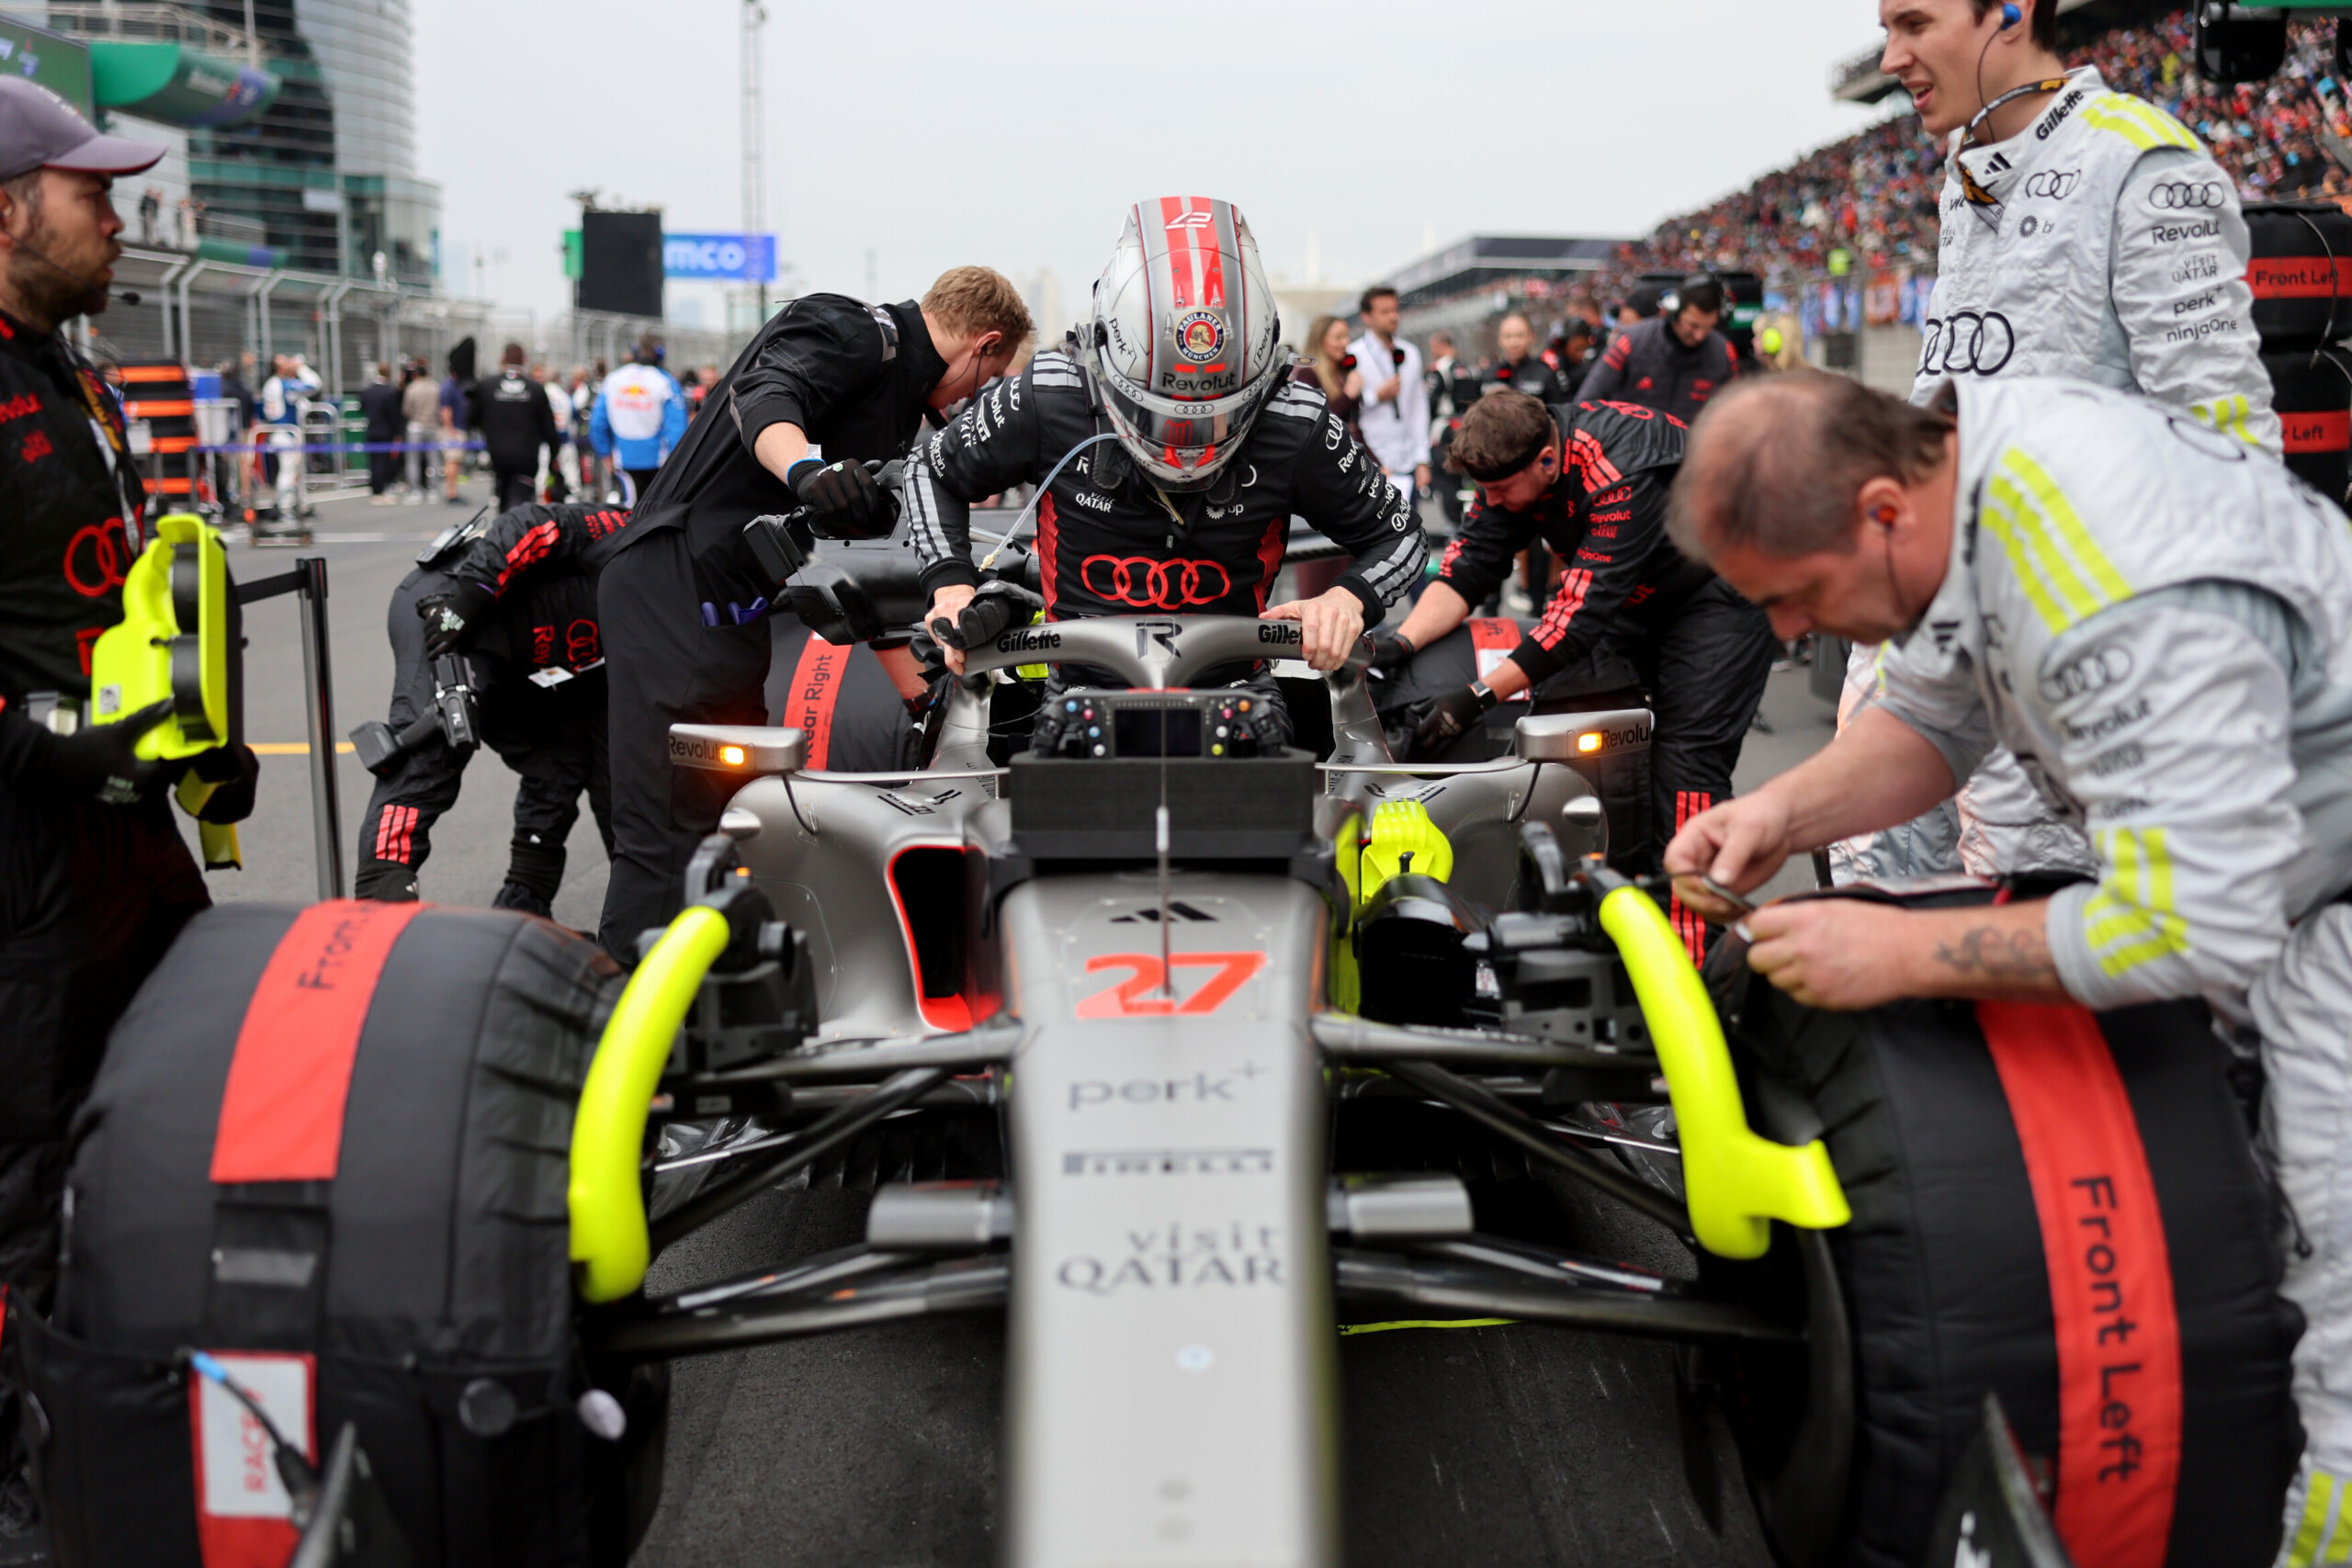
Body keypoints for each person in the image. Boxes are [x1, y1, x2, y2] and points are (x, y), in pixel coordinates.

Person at [1660, 367, 2352, 1568]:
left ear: (1879, 509)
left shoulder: (2104, 580)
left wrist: (1898, 949)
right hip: (2278, 879)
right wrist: (1780, 812)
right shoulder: (1967, 463)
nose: (1787, 634)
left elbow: (2196, 928)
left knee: (2323, 1344)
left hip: (2316, 919)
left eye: (1799, 596)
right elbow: (1933, 722)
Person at [1842, 0, 2283, 886]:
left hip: (2060, 651)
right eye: (1886, 27)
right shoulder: (1964, 170)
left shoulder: (2139, 158)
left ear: (2010, 10)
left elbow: (2227, 448)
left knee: (2027, 946)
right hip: (1922, 637)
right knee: (1877, 915)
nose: (1891, 57)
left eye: (1916, 24)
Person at [0, 77, 252, 1532]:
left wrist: (199, 738)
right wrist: (48, 744)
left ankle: (129, 1428)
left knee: (168, 1116)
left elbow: (144, 596)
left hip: (128, 836)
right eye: (90, 189)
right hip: (20, 858)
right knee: (22, 1176)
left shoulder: (75, 369)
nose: (120, 212)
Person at [594, 265, 1031, 961]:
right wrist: (807, 471)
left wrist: (923, 697)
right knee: (665, 841)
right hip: (670, 587)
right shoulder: (859, 330)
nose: (975, 404)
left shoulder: (899, 409)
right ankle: (623, 1030)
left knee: (731, 830)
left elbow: (869, 576)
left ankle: (721, 1026)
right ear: (984, 343)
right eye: (990, 380)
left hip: (728, 611)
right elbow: (764, 394)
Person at [908, 197, 1424, 745]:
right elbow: (930, 469)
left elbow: (1402, 534)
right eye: (1161, 413)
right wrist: (950, 587)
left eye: (1211, 417)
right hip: (1080, 693)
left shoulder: (1291, 418)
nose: (1184, 450)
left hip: (1238, 691)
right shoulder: (1051, 392)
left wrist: (1347, 599)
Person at [1377, 389, 1773, 954]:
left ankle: (1693, 954)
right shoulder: (1512, 464)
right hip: (1637, 591)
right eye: (1484, 491)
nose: (1494, 501)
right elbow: (1468, 569)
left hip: (1720, 589)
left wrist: (1474, 698)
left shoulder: (1619, 473)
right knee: (1577, 727)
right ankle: (1609, 907)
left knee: (1686, 765)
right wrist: (1402, 643)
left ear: (1547, 460)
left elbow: (1574, 624)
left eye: (1501, 491)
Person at [355, 502, 626, 917]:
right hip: (453, 611)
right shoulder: (645, 530)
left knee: (562, 758)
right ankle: (378, 916)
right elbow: (529, 523)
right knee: (430, 758)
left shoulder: (706, 613)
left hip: (530, 658)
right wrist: (472, 595)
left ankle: (524, 901)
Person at [1578, 272, 1738, 424]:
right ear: (1675, 312)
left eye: (1708, 327)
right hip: (1626, 444)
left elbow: (1736, 409)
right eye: (1693, 325)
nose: (1700, 335)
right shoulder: (1633, 340)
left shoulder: (1722, 352)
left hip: (1684, 446)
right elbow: (1586, 399)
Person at [1350, 284, 1430, 506]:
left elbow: (1418, 409)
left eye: (1395, 310)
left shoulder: (1411, 353)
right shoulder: (1354, 355)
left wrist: (1422, 459)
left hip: (1407, 460)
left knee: (1409, 529)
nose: (1393, 317)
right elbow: (1346, 407)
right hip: (1370, 459)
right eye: (1385, 312)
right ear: (1366, 316)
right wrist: (1376, 395)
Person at [590, 334, 687, 506]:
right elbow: (677, 428)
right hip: (660, 463)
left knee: (627, 515)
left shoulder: (613, 379)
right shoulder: (666, 381)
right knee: (656, 514)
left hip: (623, 461)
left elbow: (597, 422)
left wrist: (604, 453)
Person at [470, 341, 559, 512]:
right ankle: (516, 532)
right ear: (524, 360)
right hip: (526, 455)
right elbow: (549, 428)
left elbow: (471, 419)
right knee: (522, 501)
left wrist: (490, 430)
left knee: (504, 498)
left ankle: (506, 531)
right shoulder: (536, 389)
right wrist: (554, 454)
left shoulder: (487, 386)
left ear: (502, 359)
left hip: (498, 453)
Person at [256, 349, 320, 526]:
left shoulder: (272, 384)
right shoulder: (284, 385)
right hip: (286, 434)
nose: (289, 362)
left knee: (293, 472)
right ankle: (285, 509)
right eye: (285, 361)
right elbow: (314, 384)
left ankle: (296, 504)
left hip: (280, 433)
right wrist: (301, 367)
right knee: (288, 472)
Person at [1295, 312, 1363, 435]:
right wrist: (1347, 395)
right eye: (1338, 338)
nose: (1346, 342)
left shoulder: (1344, 369)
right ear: (1320, 341)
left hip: (1352, 447)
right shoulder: (1307, 375)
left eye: (1346, 336)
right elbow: (1314, 423)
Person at [1478, 311, 1564, 401]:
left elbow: (1557, 411)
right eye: (1508, 336)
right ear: (1499, 339)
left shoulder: (1546, 374)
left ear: (1532, 337)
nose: (1514, 343)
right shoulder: (1487, 375)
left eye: (1520, 336)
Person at [358, 359, 402, 504]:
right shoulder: (390, 392)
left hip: (372, 429)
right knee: (384, 462)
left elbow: (362, 408)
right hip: (386, 431)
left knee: (373, 461)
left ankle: (375, 489)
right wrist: (398, 432)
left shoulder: (367, 391)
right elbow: (394, 414)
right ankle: (381, 489)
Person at [439, 338, 473, 505]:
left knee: (456, 461)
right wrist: (450, 429)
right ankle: (450, 492)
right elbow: (445, 410)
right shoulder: (449, 385)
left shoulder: (457, 384)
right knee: (452, 460)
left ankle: (453, 491)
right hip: (453, 429)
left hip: (458, 427)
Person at [401, 355, 439, 501]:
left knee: (412, 460)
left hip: (415, 425)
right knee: (433, 459)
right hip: (432, 424)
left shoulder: (412, 388)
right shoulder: (435, 387)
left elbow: (406, 409)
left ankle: (415, 490)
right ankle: (433, 490)